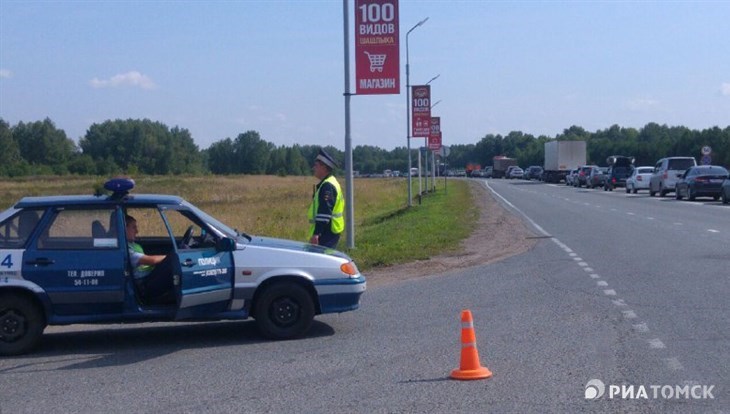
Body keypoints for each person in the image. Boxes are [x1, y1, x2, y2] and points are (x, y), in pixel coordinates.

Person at [125, 215, 175, 303]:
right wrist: (172, 257)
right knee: (172, 265)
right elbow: (151, 260)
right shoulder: (126, 249)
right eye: (134, 227)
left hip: (147, 277)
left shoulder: (133, 245)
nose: (137, 231)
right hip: (143, 283)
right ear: (125, 229)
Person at [308, 148, 344, 248]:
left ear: (323, 167)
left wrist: (316, 234)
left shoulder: (327, 185)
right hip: (329, 230)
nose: (313, 168)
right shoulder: (330, 182)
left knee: (321, 262)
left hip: (326, 232)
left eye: (316, 165)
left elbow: (325, 212)